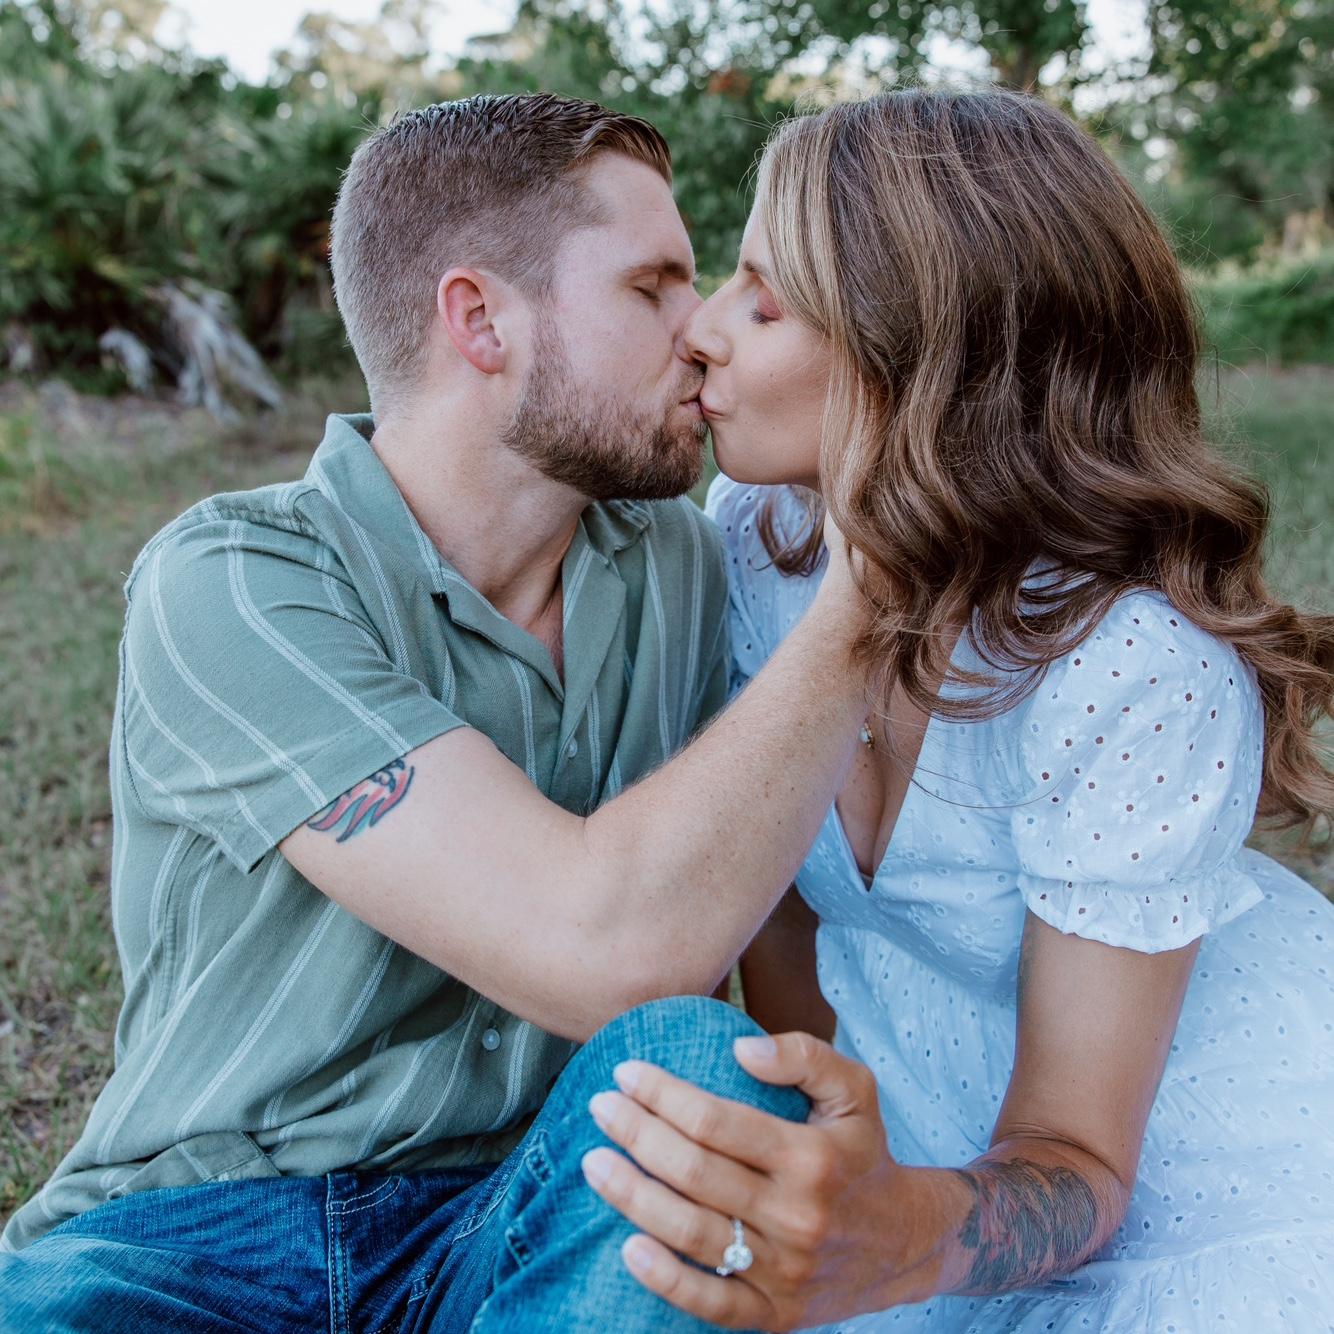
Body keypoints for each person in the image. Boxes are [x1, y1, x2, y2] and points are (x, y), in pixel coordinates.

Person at [0, 93, 872, 1332]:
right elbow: (600, 950)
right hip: (194, 1239)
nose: (701, 331)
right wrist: (874, 581)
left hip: (517, 1217)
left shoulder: (685, 565)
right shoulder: (232, 582)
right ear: (478, 320)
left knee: (693, 1069)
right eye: (651, 288)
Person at [581, 90, 1334, 1332]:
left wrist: (891, 1233)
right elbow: (777, 921)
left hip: (1179, 1170)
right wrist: (825, 1161)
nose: (700, 331)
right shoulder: (753, 541)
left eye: (763, 301)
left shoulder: (1130, 668)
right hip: (917, 1123)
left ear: (922, 360)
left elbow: (1079, 1158)